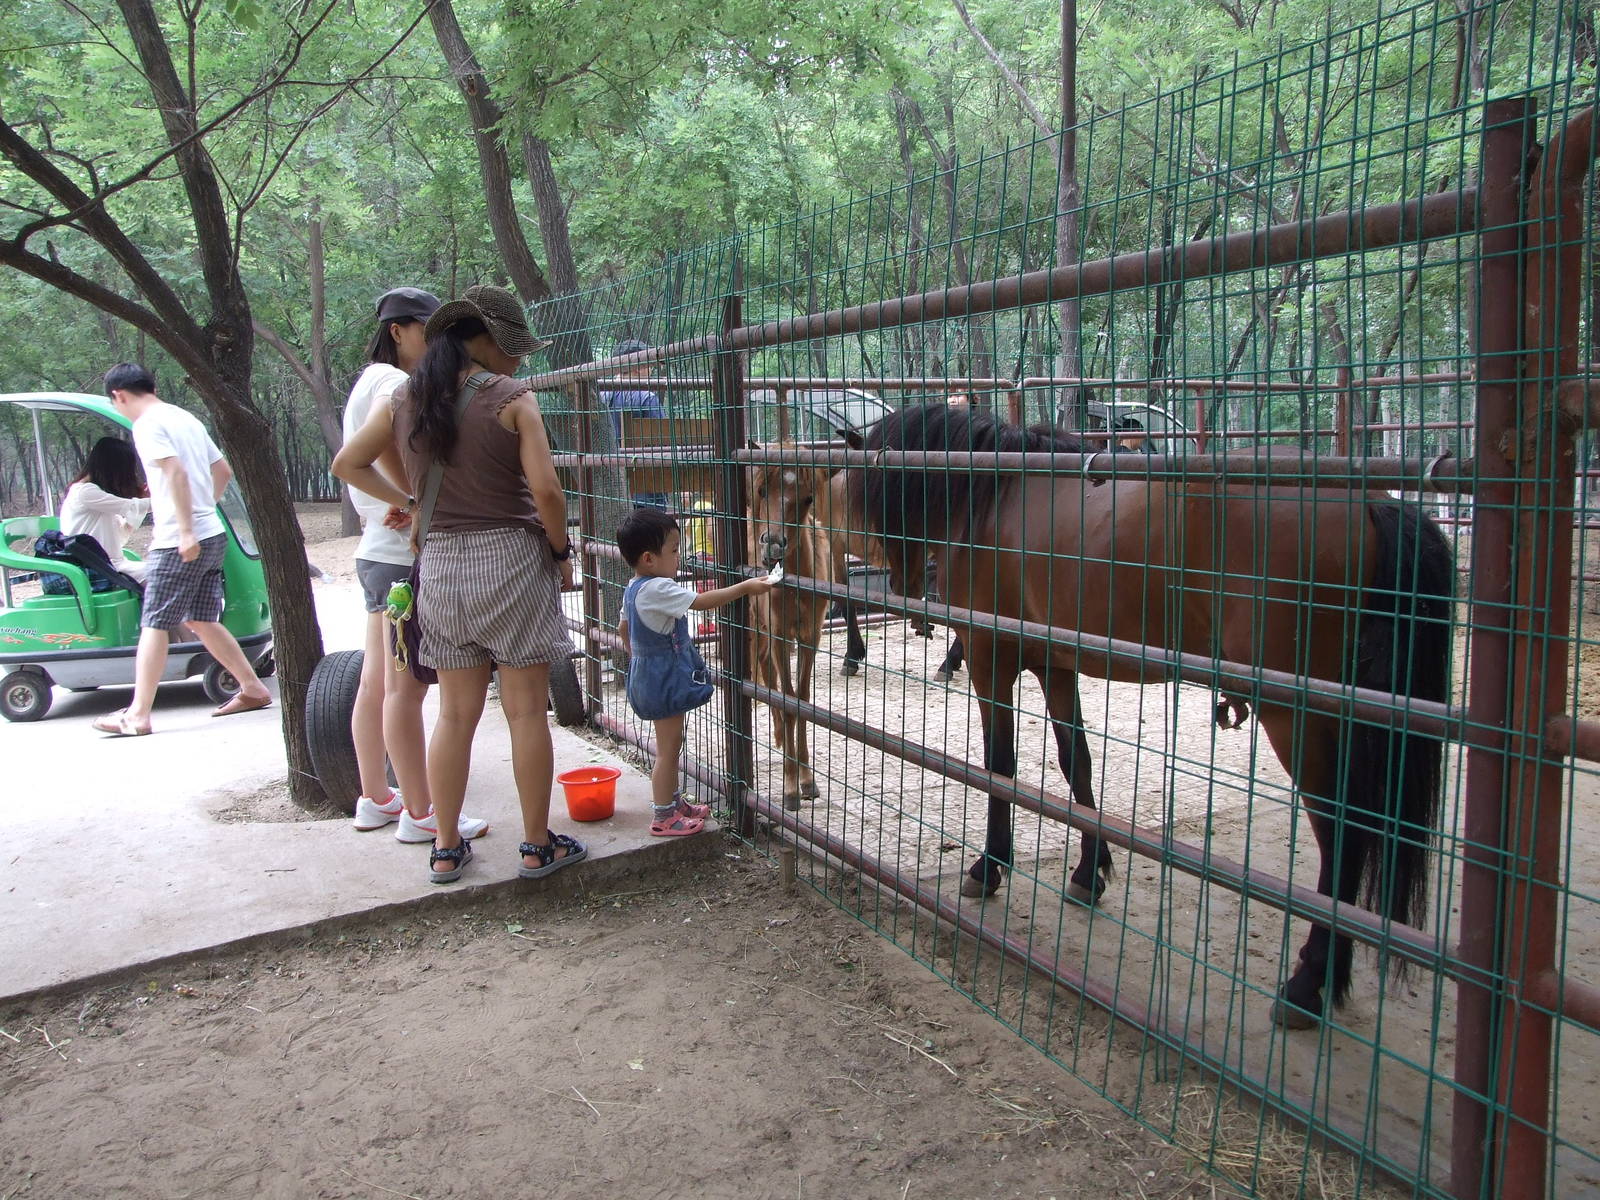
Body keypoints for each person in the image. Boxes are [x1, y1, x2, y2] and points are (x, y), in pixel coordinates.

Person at [332, 284, 583, 885]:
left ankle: (444, 847)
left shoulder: (406, 399)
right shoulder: (512, 398)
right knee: (525, 714)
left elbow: (348, 463)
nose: (521, 361)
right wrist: (560, 549)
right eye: (514, 348)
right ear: (484, 343)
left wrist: (412, 501)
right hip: (511, 563)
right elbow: (547, 492)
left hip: (440, 568)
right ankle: (535, 845)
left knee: (453, 716)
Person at [341, 286, 488, 847]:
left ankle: (377, 798)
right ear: (398, 330)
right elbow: (373, 455)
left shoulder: (369, 379)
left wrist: (398, 503)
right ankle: (422, 812)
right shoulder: (396, 385)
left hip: (376, 556)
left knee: (377, 682)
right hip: (401, 558)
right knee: (407, 690)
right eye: (427, 328)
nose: (437, 340)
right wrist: (413, 501)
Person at [93, 364, 273, 737]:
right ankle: (253, 688)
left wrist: (187, 529)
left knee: (155, 621)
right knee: (201, 618)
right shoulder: (185, 417)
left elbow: (175, 472)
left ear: (118, 396)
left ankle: (137, 714)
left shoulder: (146, 425)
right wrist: (206, 511)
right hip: (212, 535)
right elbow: (222, 469)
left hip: (180, 539)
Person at [615, 506, 774, 836]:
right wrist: (745, 587)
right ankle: (663, 817)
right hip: (664, 679)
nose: (678, 558)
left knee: (672, 743)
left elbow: (622, 628)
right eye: (673, 551)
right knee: (668, 750)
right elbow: (702, 602)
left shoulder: (634, 587)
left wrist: (638, 660)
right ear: (648, 558)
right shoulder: (658, 588)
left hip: (648, 674)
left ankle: (674, 803)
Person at [60, 437, 150, 581]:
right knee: (163, 575)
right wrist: (164, 500)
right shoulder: (85, 492)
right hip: (98, 568)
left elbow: (120, 537)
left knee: (163, 573)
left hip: (110, 564)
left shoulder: (95, 496)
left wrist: (143, 502)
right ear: (114, 468)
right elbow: (130, 506)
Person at [607, 337, 669, 510]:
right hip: (648, 490)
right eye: (648, 362)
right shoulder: (646, 398)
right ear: (636, 366)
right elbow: (664, 442)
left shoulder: (602, 397)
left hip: (612, 489)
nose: (651, 368)